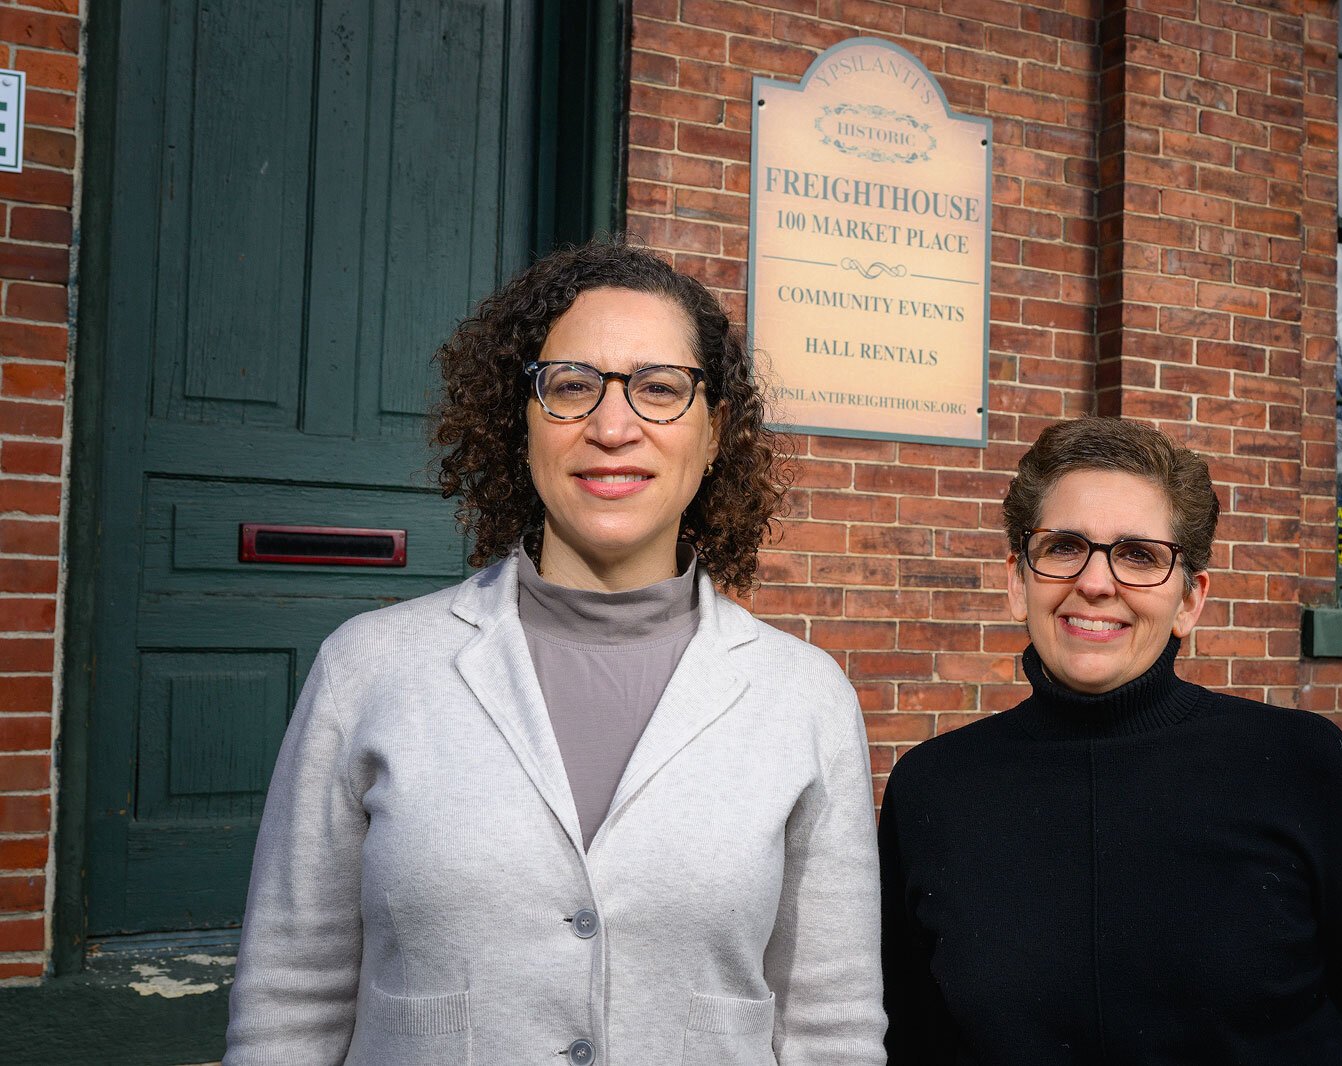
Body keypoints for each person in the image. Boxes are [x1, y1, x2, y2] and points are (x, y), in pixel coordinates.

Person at [225, 240, 886, 1065]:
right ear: (522, 420)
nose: (613, 427)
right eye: (571, 386)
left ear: (715, 433)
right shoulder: (369, 670)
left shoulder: (804, 697)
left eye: (659, 389)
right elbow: (290, 1002)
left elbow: (831, 1025)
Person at [878, 417, 1342, 1065]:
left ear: (1190, 600)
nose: (1096, 582)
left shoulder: (1299, 767)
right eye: (1063, 546)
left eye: (1139, 555)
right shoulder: (934, 793)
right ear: (1016, 578)